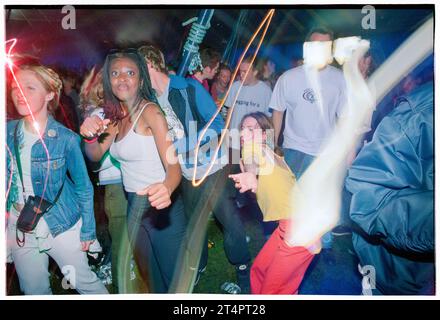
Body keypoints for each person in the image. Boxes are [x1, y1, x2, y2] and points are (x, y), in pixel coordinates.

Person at [138, 44, 251, 293]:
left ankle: (243, 268)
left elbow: (217, 124)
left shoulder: (187, 87)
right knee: (193, 225)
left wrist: (180, 145)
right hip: (186, 174)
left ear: (149, 64)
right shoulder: (149, 100)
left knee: (229, 220)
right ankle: (198, 266)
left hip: (213, 167)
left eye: (137, 67)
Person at [79, 49, 186, 293]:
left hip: (161, 207)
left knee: (174, 282)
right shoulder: (115, 117)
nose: (122, 79)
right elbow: (94, 157)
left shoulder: (151, 112)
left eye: (130, 72)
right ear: (108, 79)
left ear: (140, 79)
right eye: (115, 73)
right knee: (150, 278)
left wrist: (167, 188)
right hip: (134, 206)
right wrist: (89, 137)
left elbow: (173, 165)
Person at [6, 60, 108, 295]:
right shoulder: (6, 132)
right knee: (33, 291)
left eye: (30, 87)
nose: (19, 93)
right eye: (15, 87)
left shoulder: (65, 139)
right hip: (20, 226)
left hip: (61, 224)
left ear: (50, 94)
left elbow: (83, 187)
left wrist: (88, 231)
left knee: (85, 283)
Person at [345, 81, 434, 295]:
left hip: (417, 272)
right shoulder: (420, 114)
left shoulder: (376, 88)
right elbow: (370, 196)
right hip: (398, 277)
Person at [270, 27, 347, 248]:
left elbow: (344, 118)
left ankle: (322, 242)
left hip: (324, 152)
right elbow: (277, 111)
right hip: (293, 149)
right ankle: (286, 238)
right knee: (289, 200)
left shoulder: (339, 80)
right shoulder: (289, 78)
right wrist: (273, 145)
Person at [229, 112, 320, 294]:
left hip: (299, 229)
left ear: (264, 135)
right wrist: (251, 175)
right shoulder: (274, 156)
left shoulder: (255, 150)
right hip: (291, 226)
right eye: (241, 130)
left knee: (272, 290)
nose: (242, 134)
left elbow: (252, 160)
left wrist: (250, 173)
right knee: (259, 271)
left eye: (250, 129)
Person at [78, 67, 132, 294]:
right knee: (122, 237)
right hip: (116, 183)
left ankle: (123, 272)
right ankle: (122, 284)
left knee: (124, 235)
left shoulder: (99, 112)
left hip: (116, 183)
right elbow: (97, 158)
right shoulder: (102, 116)